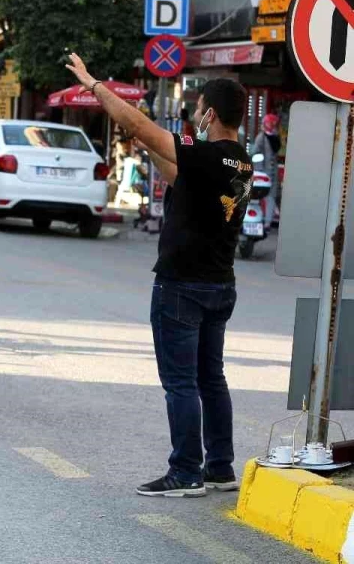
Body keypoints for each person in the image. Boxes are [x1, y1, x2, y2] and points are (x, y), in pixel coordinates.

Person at [65, 52, 251, 498]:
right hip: (218, 284)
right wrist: (144, 144)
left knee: (182, 383)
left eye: (197, 108)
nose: (194, 116)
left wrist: (94, 85)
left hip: (183, 285)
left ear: (209, 113)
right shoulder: (237, 161)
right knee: (211, 378)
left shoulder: (206, 154)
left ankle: (186, 471)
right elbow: (177, 174)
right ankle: (220, 467)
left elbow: (143, 123)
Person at [252, 113, 280, 227]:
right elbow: (256, 154)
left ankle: (267, 223)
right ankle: (257, 219)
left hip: (273, 173)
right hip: (263, 173)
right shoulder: (261, 137)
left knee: (271, 198)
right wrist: (259, 171)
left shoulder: (275, 137)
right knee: (258, 197)